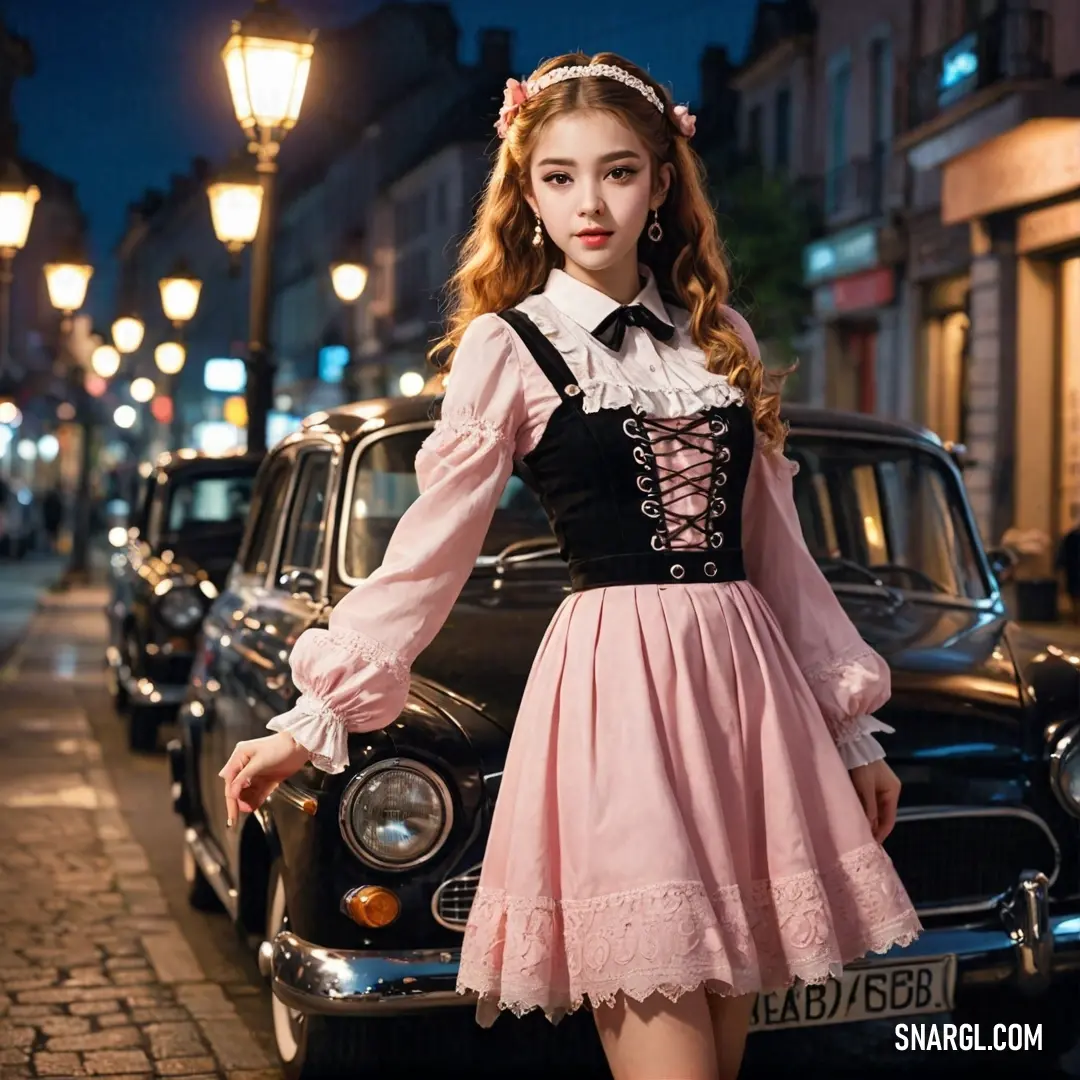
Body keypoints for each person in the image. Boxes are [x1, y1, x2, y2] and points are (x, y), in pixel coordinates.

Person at [220, 52, 920, 1080]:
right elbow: (430, 550)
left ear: (663, 182)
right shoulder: (509, 345)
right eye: (559, 176)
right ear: (527, 190)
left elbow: (781, 556)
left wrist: (851, 729)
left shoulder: (718, 334)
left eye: (618, 171)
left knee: (722, 1057)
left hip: (744, 698)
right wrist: (313, 719)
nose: (589, 203)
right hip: (616, 700)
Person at [1057, 518, 1080, 624]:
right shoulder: (1070, 537)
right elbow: (1063, 555)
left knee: (1074, 594)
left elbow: (1062, 555)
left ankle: (1076, 616)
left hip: (1072, 570)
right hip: (1073, 570)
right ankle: (1076, 616)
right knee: (1074, 594)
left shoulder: (1070, 537)